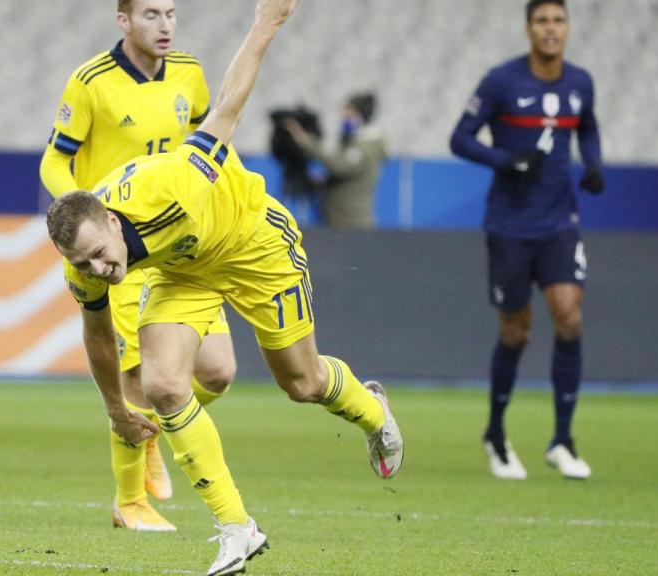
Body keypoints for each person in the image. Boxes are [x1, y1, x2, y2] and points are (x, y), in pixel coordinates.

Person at [46, 1, 403, 574]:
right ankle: (237, 528)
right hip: (183, 270)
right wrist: (116, 409)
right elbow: (98, 337)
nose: (100, 269)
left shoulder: (172, 186)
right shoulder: (83, 263)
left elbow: (228, 108)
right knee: (162, 384)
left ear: (113, 221)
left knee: (302, 383)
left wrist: (265, 23)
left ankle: (373, 411)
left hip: (253, 244)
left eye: (101, 255)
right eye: (84, 264)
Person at [39, 0, 237, 533]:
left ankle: (151, 428)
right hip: (119, 248)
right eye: (151, 14)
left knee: (218, 372)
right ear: (123, 21)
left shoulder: (190, 73)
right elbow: (54, 159)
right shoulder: (91, 82)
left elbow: (209, 144)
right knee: (135, 377)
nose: (165, 24)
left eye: (170, 13)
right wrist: (84, 209)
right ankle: (130, 502)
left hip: (178, 241)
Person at [449, 0, 603, 481]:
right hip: (510, 224)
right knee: (517, 330)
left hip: (559, 222)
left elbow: (588, 126)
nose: (551, 29)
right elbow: (460, 138)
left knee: (570, 318)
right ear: (528, 29)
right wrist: (506, 160)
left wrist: (593, 163)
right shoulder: (502, 81)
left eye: (558, 20)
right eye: (542, 21)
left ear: (567, 29)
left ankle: (562, 440)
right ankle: (496, 434)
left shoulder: (580, 82)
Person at [282, 92, 386, 229]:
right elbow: (347, 178)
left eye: (349, 116)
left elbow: (339, 166)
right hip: (337, 219)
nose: (344, 119)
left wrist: (305, 140)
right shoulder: (352, 142)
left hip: (353, 223)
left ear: (361, 116)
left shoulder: (365, 146)